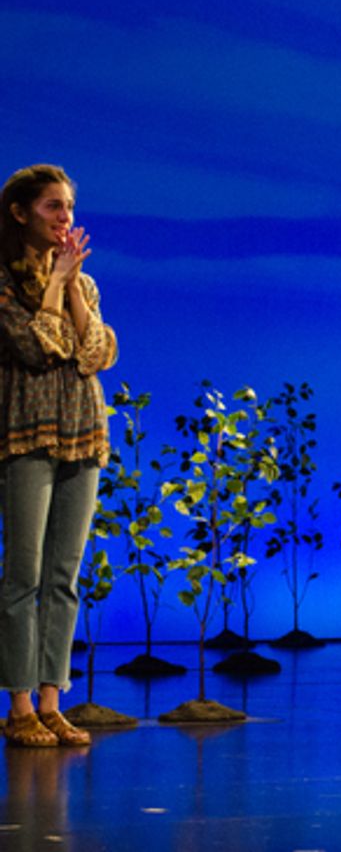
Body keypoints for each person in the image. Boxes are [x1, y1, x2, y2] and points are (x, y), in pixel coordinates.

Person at [0, 164, 117, 748]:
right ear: (21, 213)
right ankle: (18, 704)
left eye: (69, 207)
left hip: (83, 435)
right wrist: (52, 286)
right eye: (53, 207)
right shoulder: (4, 283)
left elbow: (96, 352)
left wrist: (72, 285)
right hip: (28, 436)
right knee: (23, 576)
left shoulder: (84, 285)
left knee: (64, 577)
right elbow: (33, 347)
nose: (65, 218)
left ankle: (51, 700)